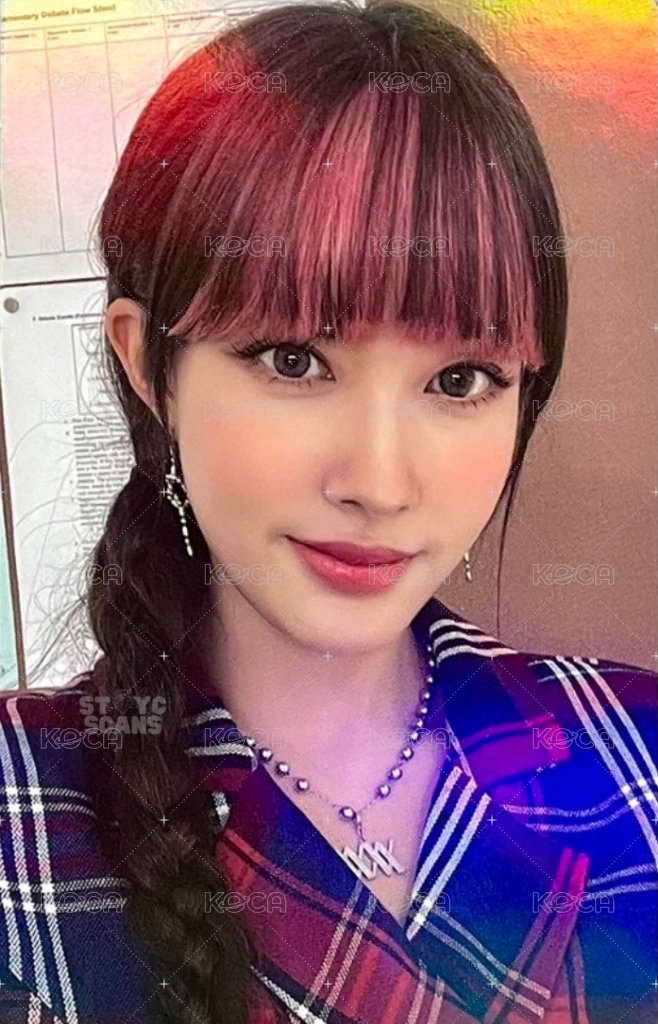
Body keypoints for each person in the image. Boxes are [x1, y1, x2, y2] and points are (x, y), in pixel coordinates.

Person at [1, 2, 656, 1022]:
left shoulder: (632, 754)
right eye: (295, 359)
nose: (380, 483)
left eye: (461, 379)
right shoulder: (23, 816)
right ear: (147, 365)